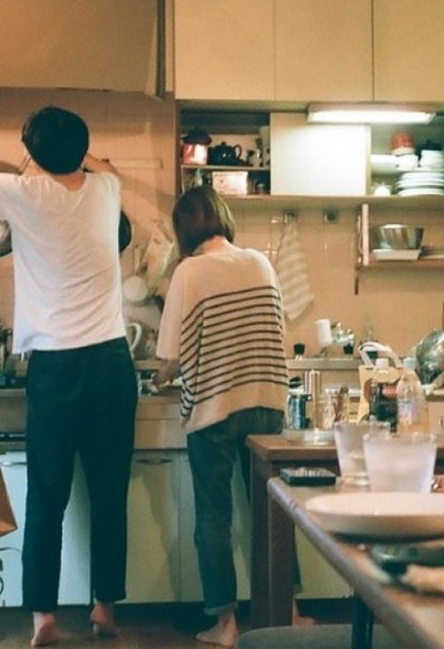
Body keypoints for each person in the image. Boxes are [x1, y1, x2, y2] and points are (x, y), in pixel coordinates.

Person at [0, 106, 137, 647]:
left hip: (55, 366)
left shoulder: (24, 193)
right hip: (110, 363)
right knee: (109, 494)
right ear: (81, 148)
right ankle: (104, 608)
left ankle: (43, 621)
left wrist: (18, 167)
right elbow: (106, 169)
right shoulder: (106, 191)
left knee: (47, 497)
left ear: (35, 152)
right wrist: (79, 157)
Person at [153, 185, 287, 647]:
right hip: (267, 404)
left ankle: (226, 626)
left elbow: (171, 355)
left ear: (184, 229)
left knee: (214, 518)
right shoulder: (261, 263)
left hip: (214, 409)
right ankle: (288, 611)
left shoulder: (189, 272)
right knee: (274, 516)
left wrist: (160, 377)